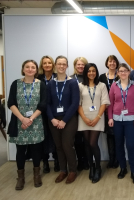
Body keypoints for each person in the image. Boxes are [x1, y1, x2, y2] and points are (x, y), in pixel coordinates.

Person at [7, 60, 46, 190]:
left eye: (33, 67)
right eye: (27, 67)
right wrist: (23, 119)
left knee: (36, 150)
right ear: (23, 69)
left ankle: (36, 175)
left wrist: (30, 119)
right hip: (19, 122)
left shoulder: (41, 84)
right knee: (20, 152)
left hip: (36, 122)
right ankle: (21, 178)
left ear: (36, 70)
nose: (30, 69)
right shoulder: (15, 84)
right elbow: (11, 103)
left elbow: (43, 104)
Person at [47, 55, 80, 184]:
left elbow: (75, 103)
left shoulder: (72, 82)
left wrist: (64, 120)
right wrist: (52, 119)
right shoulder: (51, 83)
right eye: (59, 64)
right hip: (54, 120)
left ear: (67, 66)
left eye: (64, 64)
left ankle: (72, 171)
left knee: (67, 145)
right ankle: (63, 170)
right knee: (59, 146)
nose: (61, 66)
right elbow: (47, 104)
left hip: (69, 119)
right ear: (55, 65)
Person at [108, 63, 134, 184]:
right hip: (117, 120)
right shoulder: (114, 86)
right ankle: (123, 168)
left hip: (131, 120)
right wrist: (110, 118)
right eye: (120, 71)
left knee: (131, 145)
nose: (123, 73)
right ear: (118, 73)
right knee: (118, 145)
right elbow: (110, 103)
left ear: (129, 72)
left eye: (125, 71)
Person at [78, 63, 110, 183]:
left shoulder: (101, 85)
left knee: (93, 143)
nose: (91, 73)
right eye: (89, 71)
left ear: (96, 72)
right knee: (86, 143)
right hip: (84, 117)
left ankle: (98, 168)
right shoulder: (80, 86)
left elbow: (104, 102)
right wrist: (84, 118)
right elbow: (78, 103)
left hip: (98, 117)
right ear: (85, 73)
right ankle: (91, 167)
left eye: (93, 71)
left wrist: (97, 117)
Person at [37, 55, 59, 173]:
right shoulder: (37, 78)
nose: (47, 65)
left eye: (49, 63)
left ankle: (56, 161)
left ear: (53, 65)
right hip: (41, 113)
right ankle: (45, 162)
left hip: (55, 112)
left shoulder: (57, 77)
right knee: (43, 138)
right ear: (42, 65)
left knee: (55, 137)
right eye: (44, 63)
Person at [98, 55, 120, 169]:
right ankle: (111, 159)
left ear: (117, 63)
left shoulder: (121, 75)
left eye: (114, 61)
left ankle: (117, 159)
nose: (112, 63)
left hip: (118, 110)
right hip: (106, 111)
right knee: (109, 136)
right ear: (107, 63)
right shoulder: (102, 77)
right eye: (110, 61)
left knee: (117, 135)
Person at [70, 57, 89, 171]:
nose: (81, 66)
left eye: (83, 64)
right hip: (74, 114)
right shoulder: (71, 79)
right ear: (75, 65)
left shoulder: (90, 77)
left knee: (87, 140)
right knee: (77, 140)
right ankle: (80, 161)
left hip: (87, 113)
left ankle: (87, 160)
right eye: (78, 64)